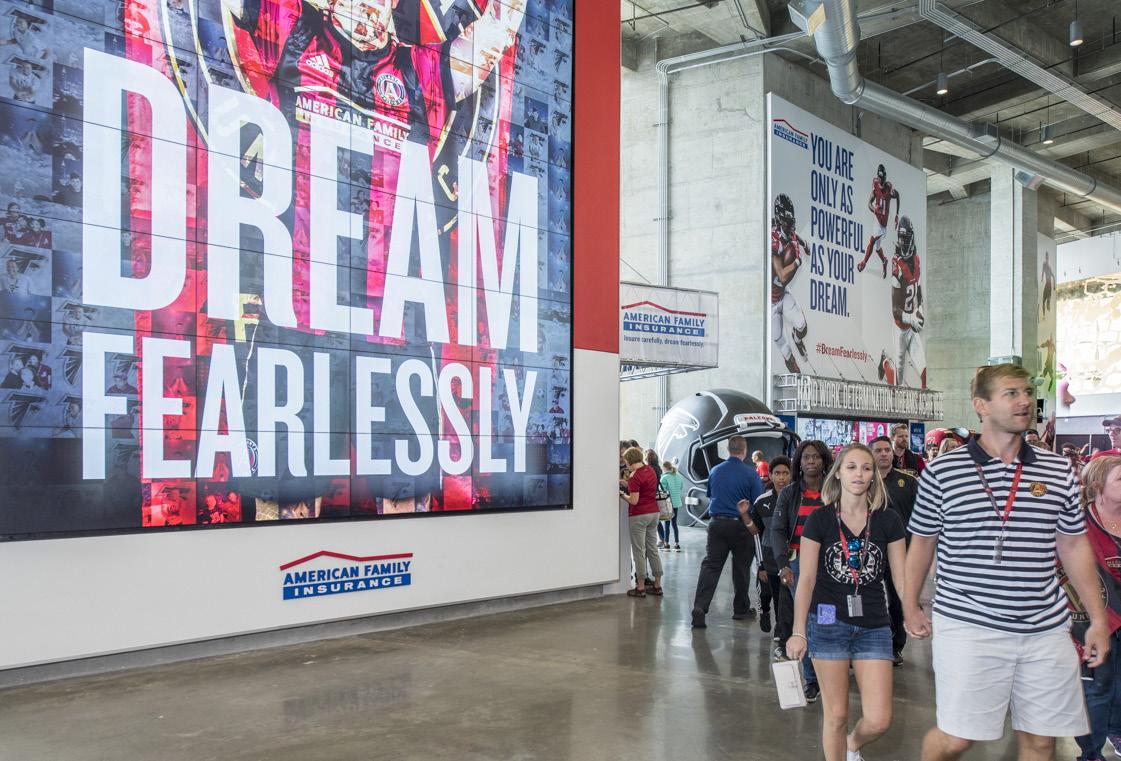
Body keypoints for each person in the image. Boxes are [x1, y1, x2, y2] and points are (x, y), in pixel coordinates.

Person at [904, 363, 1110, 761]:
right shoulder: (943, 472)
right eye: (1011, 393)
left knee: (1041, 741)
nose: (1024, 401)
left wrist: (1098, 620)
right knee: (957, 740)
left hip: (1046, 627)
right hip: (968, 624)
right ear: (980, 405)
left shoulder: (1057, 469)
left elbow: (1073, 545)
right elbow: (923, 543)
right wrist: (910, 604)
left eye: (1027, 392)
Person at [787, 443, 908, 761]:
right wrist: (798, 630)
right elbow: (806, 579)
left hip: (874, 625)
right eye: (851, 466)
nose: (859, 474)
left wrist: (912, 611)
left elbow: (901, 577)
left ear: (874, 476)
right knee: (836, 714)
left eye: (866, 468)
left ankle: (851, 745)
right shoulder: (820, 519)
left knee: (880, 720)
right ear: (838, 473)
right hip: (827, 621)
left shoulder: (888, 520)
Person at [1061, 455, 1121, 761]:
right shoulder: (1077, 523)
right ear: (1098, 485)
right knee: (1098, 687)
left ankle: (1117, 731)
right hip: (1092, 617)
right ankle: (1091, 751)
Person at [771, 439, 835, 702]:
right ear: (799, 461)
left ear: (824, 460)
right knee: (807, 619)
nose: (811, 461)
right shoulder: (790, 493)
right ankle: (811, 678)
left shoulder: (835, 490)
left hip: (830, 565)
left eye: (816, 457)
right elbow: (777, 530)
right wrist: (782, 564)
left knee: (827, 618)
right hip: (798, 565)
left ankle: (829, 671)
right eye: (806, 457)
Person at [690, 435, 763, 628]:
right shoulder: (751, 474)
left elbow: (711, 495)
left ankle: (699, 607)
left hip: (717, 525)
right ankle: (740, 609)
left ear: (729, 450)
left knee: (711, 566)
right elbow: (758, 502)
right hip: (741, 526)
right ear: (744, 451)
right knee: (741, 568)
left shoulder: (715, 471)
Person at [870, 435, 918, 666]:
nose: (883, 454)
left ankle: (895, 645)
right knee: (868, 597)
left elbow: (920, 517)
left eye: (887, 450)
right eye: (878, 450)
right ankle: (868, 643)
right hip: (869, 550)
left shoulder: (907, 482)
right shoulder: (863, 481)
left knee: (898, 599)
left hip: (901, 552)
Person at [752, 455, 792, 635]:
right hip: (768, 559)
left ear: (791, 475)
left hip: (790, 559)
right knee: (766, 594)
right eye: (777, 473)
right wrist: (760, 565)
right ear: (770, 475)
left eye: (785, 473)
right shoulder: (761, 502)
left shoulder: (797, 499)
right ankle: (765, 613)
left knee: (784, 598)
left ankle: (781, 630)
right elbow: (756, 534)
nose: (781, 477)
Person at [771, 193, 811, 374]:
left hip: (783, 293)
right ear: (780, 219)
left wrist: (804, 244)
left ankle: (797, 337)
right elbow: (781, 275)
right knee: (781, 344)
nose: (790, 223)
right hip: (771, 302)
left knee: (802, 326)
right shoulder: (774, 242)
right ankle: (795, 370)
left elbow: (795, 236)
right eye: (787, 219)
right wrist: (797, 262)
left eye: (791, 219)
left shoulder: (788, 232)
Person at [620, 447, 663, 598]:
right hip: (654, 513)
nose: (626, 465)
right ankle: (657, 585)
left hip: (639, 515)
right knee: (652, 549)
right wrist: (626, 484)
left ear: (630, 461)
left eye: (626, 462)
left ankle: (640, 587)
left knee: (639, 551)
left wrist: (622, 494)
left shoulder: (634, 476)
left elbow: (634, 500)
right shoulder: (650, 470)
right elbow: (643, 488)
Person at [858, 163, 900, 278]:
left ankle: (864, 262)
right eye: (879, 179)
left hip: (883, 225)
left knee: (872, 241)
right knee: (877, 248)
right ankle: (884, 260)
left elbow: (897, 196)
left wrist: (897, 214)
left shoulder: (889, 188)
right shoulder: (875, 185)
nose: (880, 183)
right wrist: (874, 210)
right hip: (877, 220)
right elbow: (869, 203)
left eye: (882, 181)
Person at [659, 460, 684, 552]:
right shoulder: (678, 477)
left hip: (668, 503)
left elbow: (661, 490)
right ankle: (677, 544)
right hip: (676, 503)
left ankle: (666, 543)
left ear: (664, 468)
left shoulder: (664, 477)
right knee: (674, 524)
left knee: (667, 523)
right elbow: (681, 487)